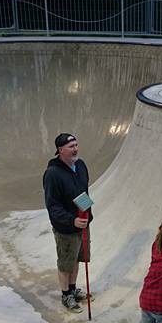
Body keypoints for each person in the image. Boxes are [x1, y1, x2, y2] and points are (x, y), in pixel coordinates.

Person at [43, 133, 92, 313]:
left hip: (82, 223)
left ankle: (72, 288)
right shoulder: (52, 174)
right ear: (60, 150)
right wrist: (72, 220)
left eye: (76, 145)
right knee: (66, 262)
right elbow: (52, 205)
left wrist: (88, 215)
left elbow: (83, 192)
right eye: (71, 147)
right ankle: (66, 295)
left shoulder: (80, 166)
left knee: (77, 259)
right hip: (66, 227)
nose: (75, 149)